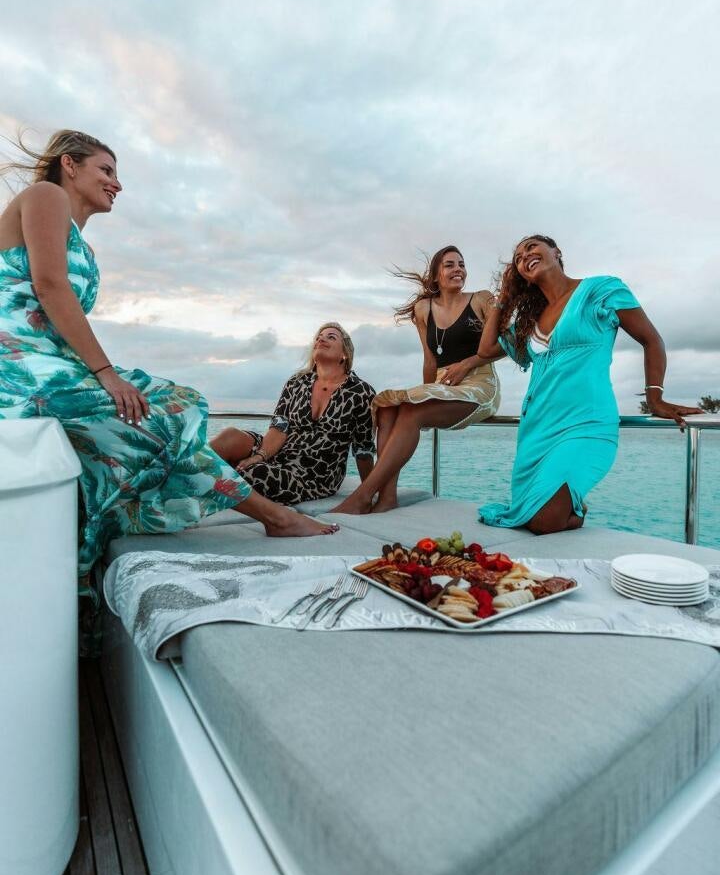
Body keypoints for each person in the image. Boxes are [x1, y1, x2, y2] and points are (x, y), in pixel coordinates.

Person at [0, 130, 338, 655]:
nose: (118, 183)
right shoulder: (45, 196)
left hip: (51, 363)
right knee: (156, 420)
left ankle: (273, 517)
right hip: (19, 366)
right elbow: (48, 287)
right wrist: (107, 374)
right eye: (106, 170)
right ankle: (276, 516)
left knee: (159, 419)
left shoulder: (78, 235)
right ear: (70, 164)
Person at [475, 234, 703, 533]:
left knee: (544, 522)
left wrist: (655, 399)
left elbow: (652, 340)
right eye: (517, 258)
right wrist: (503, 298)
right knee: (525, 517)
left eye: (531, 247)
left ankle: (576, 508)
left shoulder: (601, 290)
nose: (524, 256)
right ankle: (563, 501)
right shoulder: (531, 319)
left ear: (556, 252)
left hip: (586, 423)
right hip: (537, 429)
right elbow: (486, 350)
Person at [335, 245, 500, 513]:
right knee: (387, 406)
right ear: (436, 275)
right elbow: (430, 360)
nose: (458, 269)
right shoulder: (423, 309)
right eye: (449, 265)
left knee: (410, 414)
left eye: (461, 264)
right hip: (441, 386)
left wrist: (466, 364)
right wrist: (425, 392)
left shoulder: (482, 300)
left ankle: (363, 496)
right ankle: (387, 498)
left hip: (479, 384)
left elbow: (506, 344)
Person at [211, 323, 376, 504]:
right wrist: (259, 456)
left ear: (345, 353)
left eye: (331, 337)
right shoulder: (297, 382)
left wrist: (369, 493)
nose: (321, 339)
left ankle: (202, 488)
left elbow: (363, 449)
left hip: (313, 474)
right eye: (319, 337)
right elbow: (279, 429)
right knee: (230, 436)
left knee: (254, 473)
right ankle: (182, 477)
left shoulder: (361, 392)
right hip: (277, 453)